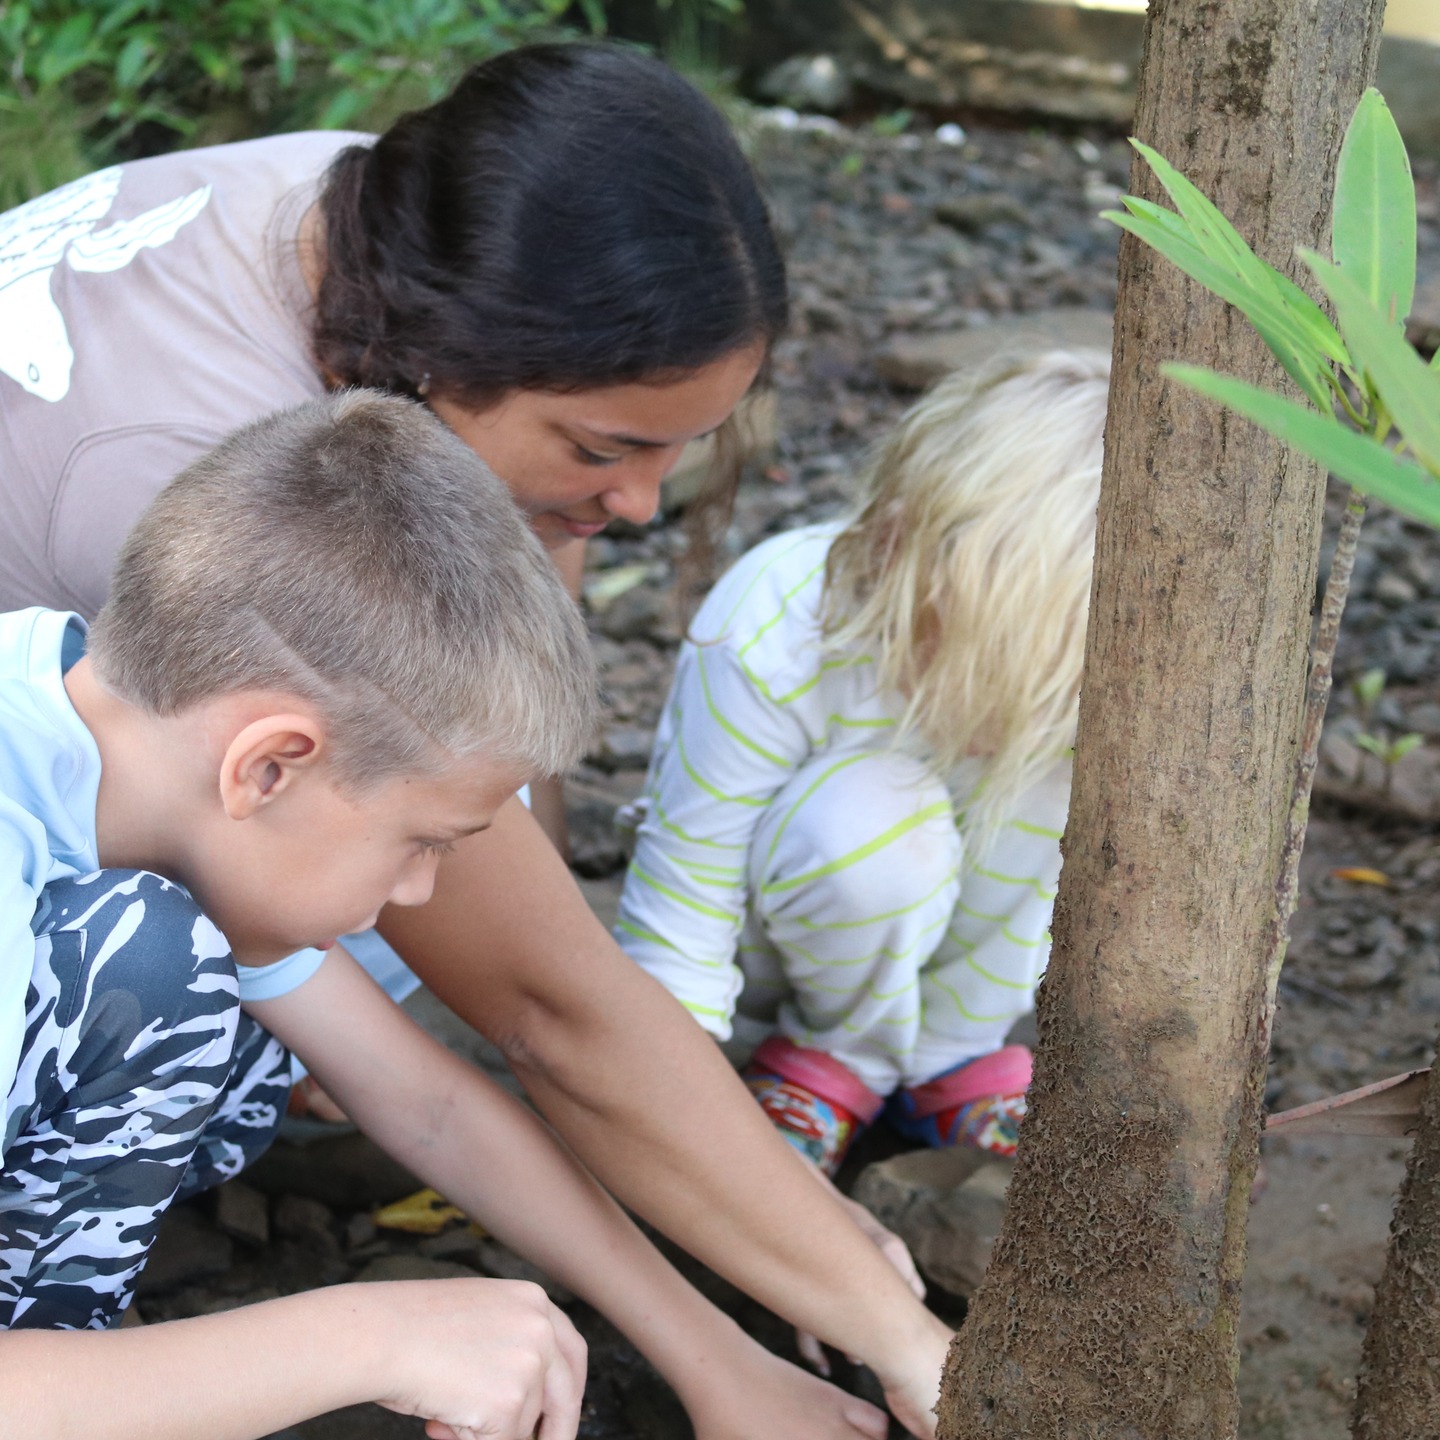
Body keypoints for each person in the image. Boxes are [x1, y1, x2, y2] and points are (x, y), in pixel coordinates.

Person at [0, 42, 952, 1434]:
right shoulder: (177, 480)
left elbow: (451, 1080)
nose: (639, 506)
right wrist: (886, 1319)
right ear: (438, 373)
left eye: (676, 451)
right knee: (189, 961)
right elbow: (543, 1007)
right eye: (599, 449)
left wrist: (718, 1350)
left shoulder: (388, 227)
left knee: (273, 950)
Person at [616, 351, 1108, 1173]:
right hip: (783, 955)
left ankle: (951, 1052)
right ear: (892, 549)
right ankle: (836, 1058)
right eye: (978, 671)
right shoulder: (775, 625)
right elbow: (683, 910)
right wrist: (666, 1104)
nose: (993, 717)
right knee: (874, 809)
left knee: (1056, 782)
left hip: (952, 958)